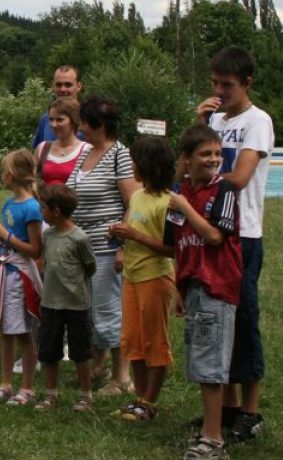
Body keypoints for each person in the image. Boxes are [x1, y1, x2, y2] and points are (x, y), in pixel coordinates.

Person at [196, 46, 273, 444]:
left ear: (247, 83)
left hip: (242, 235)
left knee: (243, 321)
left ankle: (250, 410)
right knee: (216, 320)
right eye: (214, 83)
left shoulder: (257, 122)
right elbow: (190, 166)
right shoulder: (216, 120)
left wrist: (205, 167)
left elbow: (239, 177)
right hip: (211, 233)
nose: (220, 91)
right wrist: (201, 124)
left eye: (227, 85)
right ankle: (224, 407)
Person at [164, 125, 242, 460]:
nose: (213, 160)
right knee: (201, 362)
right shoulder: (181, 193)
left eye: (216, 153)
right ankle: (209, 431)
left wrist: (183, 206)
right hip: (194, 286)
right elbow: (178, 245)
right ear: (186, 159)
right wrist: (180, 287)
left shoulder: (223, 190)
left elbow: (213, 237)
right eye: (204, 154)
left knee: (210, 364)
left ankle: (214, 441)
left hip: (217, 285)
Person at [65, 96, 140, 395]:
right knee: (91, 311)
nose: (80, 127)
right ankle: (99, 366)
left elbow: (132, 202)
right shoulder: (88, 153)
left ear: (97, 125)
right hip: (85, 248)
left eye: (83, 121)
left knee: (110, 312)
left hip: (108, 249)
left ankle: (122, 378)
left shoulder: (120, 155)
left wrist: (123, 245)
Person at [107, 136, 177, 421]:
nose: (131, 166)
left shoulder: (168, 203)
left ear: (148, 166)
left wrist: (135, 235)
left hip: (155, 278)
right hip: (132, 277)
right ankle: (138, 399)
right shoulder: (137, 195)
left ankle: (150, 402)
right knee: (132, 341)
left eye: (135, 162)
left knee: (155, 343)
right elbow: (132, 228)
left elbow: (171, 248)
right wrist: (120, 238)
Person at [0, 149, 43, 406]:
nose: (1, 176)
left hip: (19, 275)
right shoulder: (9, 203)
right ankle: (6, 383)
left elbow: (35, 249)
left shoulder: (31, 208)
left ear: (12, 174)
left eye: (3, 171)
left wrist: (6, 237)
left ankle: (27, 387)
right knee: (6, 330)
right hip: (3, 272)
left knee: (22, 332)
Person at [32, 184, 97, 412]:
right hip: (50, 303)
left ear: (56, 211)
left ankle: (86, 396)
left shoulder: (79, 238)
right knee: (49, 350)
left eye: (43, 208)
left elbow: (90, 266)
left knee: (81, 351)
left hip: (76, 304)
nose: (41, 212)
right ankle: (51, 394)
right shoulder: (48, 235)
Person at [35, 98, 90, 187]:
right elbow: (30, 184)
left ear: (73, 120)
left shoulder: (86, 150)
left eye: (60, 120)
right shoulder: (43, 148)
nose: (54, 124)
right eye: (51, 119)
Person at [32, 65, 83, 148]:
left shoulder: (88, 118)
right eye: (58, 85)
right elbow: (38, 154)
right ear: (52, 86)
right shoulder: (46, 119)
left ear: (78, 86)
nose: (63, 89)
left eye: (68, 85)